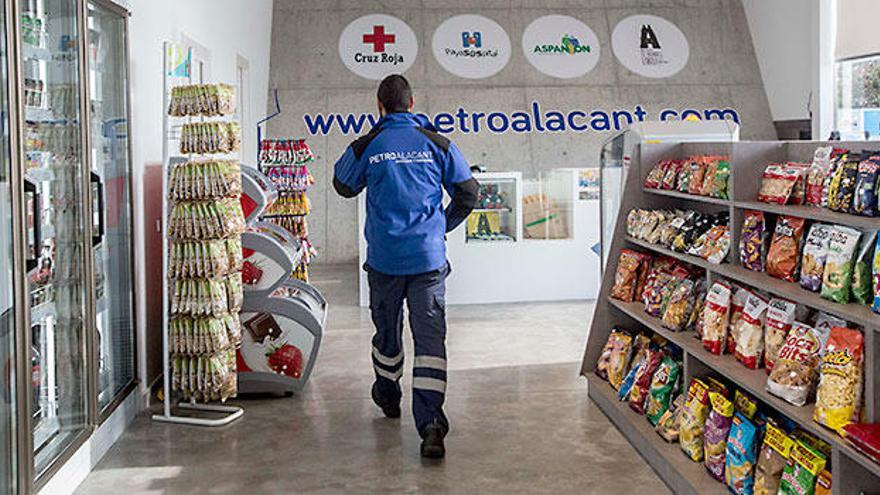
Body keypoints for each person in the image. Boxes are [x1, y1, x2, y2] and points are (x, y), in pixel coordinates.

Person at [332, 74, 478, 458]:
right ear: (412, 104)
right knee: (430, 340)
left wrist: (367, 147)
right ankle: (431, 426)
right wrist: (439, 227)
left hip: (384, 260)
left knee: (388, 334)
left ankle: (387, 394)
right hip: (428, 260)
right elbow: (468, 193)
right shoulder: (437, 142)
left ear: (379, 106)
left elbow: (342, 185)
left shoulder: (369, 144)